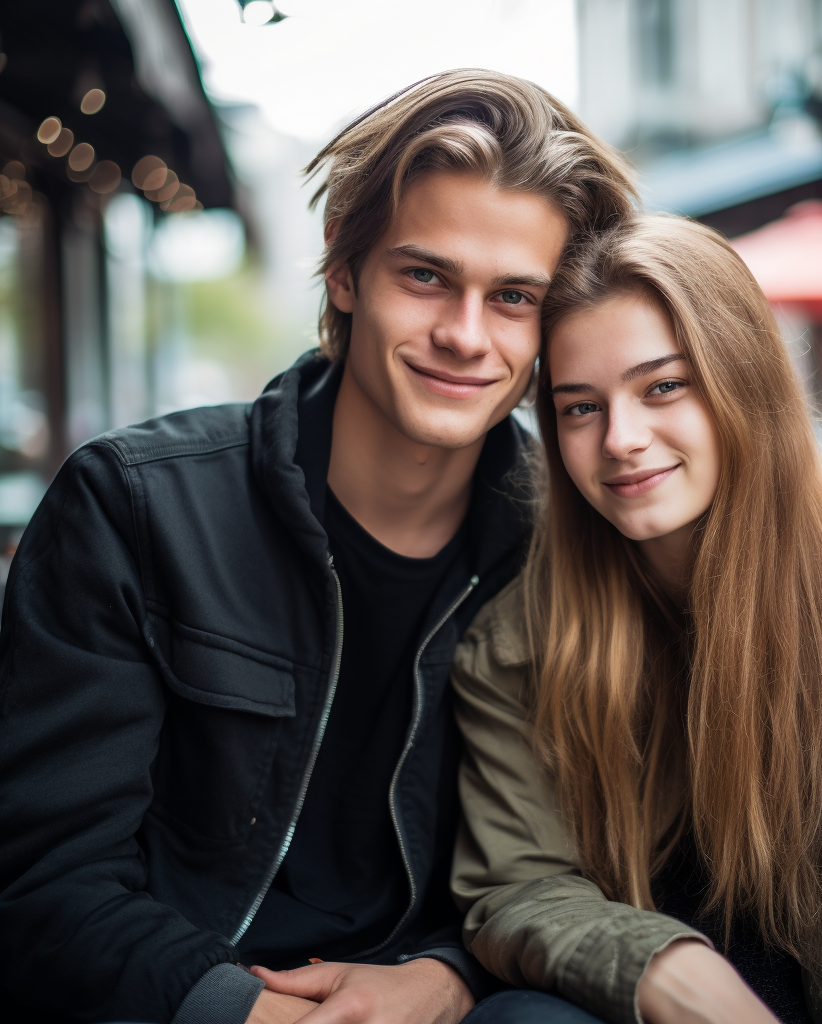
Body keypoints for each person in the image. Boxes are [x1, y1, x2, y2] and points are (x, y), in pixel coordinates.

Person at [0, 71, 636, 1024]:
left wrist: (452, 973)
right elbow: (45, 882)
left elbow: (589, 861)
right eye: (425, 276)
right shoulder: (135, 509)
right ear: (344, 271)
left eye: (513, 298)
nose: (466, 336)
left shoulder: (573, 546)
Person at [450, 216, 822, 1024]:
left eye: (663, 387)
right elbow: (519, 883)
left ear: (743, 378)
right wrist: (661, 968)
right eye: (580, 408)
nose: (621, 440)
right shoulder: (522, 642)